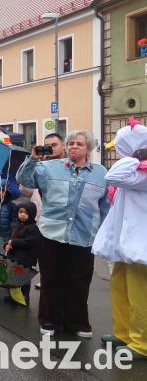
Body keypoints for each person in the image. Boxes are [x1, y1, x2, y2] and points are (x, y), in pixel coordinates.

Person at [17, 129, 109, 337]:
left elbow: (104, 206)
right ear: (66, 147)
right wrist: (32, 159)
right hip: (52, 233)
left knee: (79, 280)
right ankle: (49, 320)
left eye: (80, 144)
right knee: (51, 278)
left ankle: (77, 322)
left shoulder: (101, 173)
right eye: (71, 143)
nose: (74, 146)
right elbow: (24, 181)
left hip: (84, 235)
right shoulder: (48, 167)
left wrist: (102, 232)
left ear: (88, 148)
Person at [92, 121, 147, 360]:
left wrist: (136, 156)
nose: (117, 151)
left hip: (140, 245)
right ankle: (123, 333)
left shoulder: (140, 171)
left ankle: (142, 343)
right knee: (120, 288)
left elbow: (113, 176)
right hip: (126, 243)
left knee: (140, 295)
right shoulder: (137, 169)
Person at [3, 201, 41, 307]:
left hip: (26, 259)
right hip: (15, 257)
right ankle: (14, 296)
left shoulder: (33, 228)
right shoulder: (15, 226)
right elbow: (9, 238)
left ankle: (24, 297)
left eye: (26, 213)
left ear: (31, 214)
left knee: (24, 279)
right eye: (20, 212)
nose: (22, 214)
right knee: (13, 277)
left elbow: (29, 242)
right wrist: (6, 244)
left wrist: (13, 242)